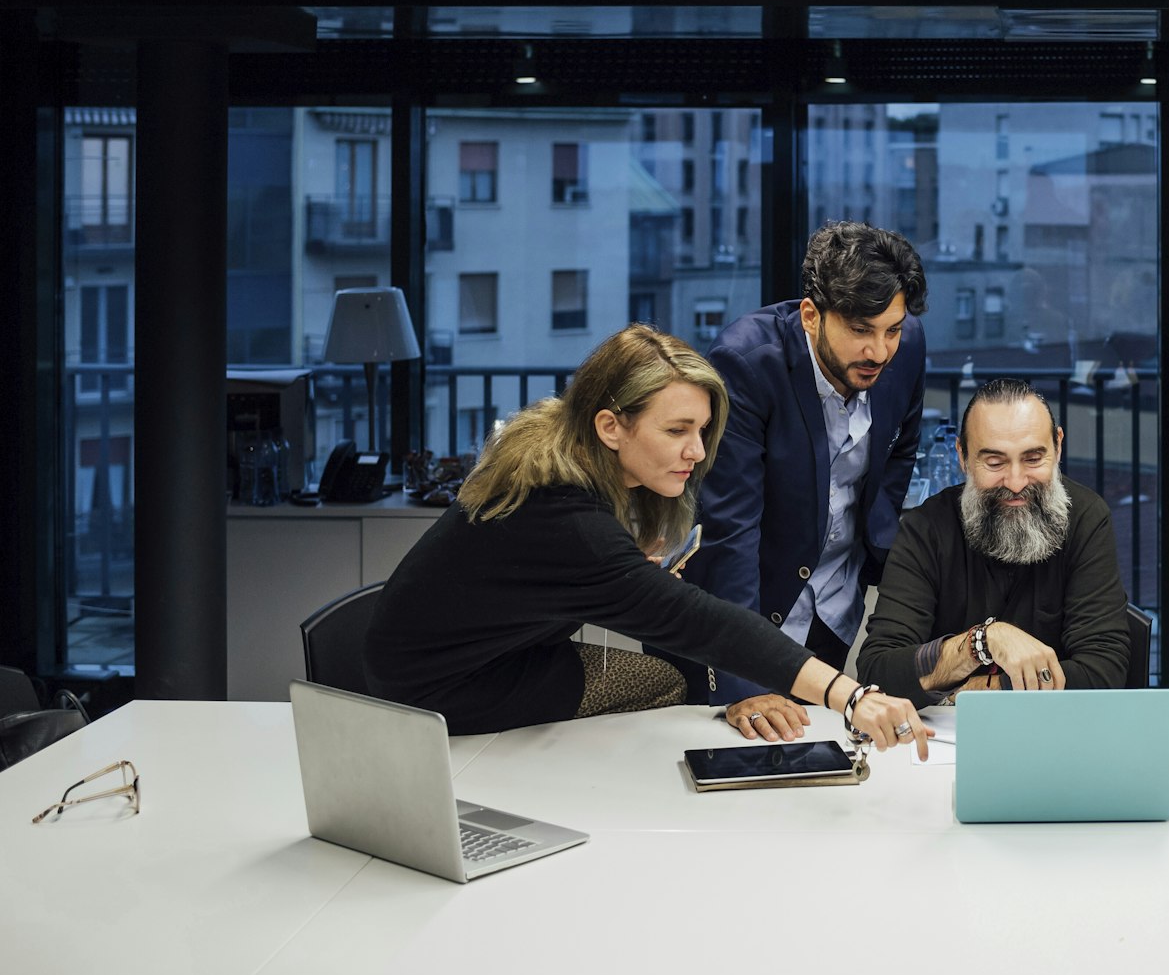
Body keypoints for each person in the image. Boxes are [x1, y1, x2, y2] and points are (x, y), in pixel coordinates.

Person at [363, 324, 928, 757]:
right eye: (677, 431)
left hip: (469, 657)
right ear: (611, 426)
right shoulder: (569, 521)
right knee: (666, 680)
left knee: (675, 679)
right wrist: (854, 696)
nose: (698, 452)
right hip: (443, 696)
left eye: (703, 431)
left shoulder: (556, 453)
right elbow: (707, 623)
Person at [670, 221, 929, 739]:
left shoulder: (908, 347)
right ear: (811, 315)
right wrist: (744, 684)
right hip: (744, 611)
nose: (879, 351)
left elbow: (899, 451)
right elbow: (730, 531)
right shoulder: (745, 363)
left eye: (892, 330)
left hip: (834, 607)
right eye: (861, 330)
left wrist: (878, 547)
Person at [856, 379, 1129, 701]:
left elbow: (1104, 671)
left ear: (1058, 446)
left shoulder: (1086, 517)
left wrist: (984, 690)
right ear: (963, 456)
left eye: (1032, 459)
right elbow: (878, 671)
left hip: (1054, 735)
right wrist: (981, 643)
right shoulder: (925, 527)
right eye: (995, 463)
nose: (1015, 483)